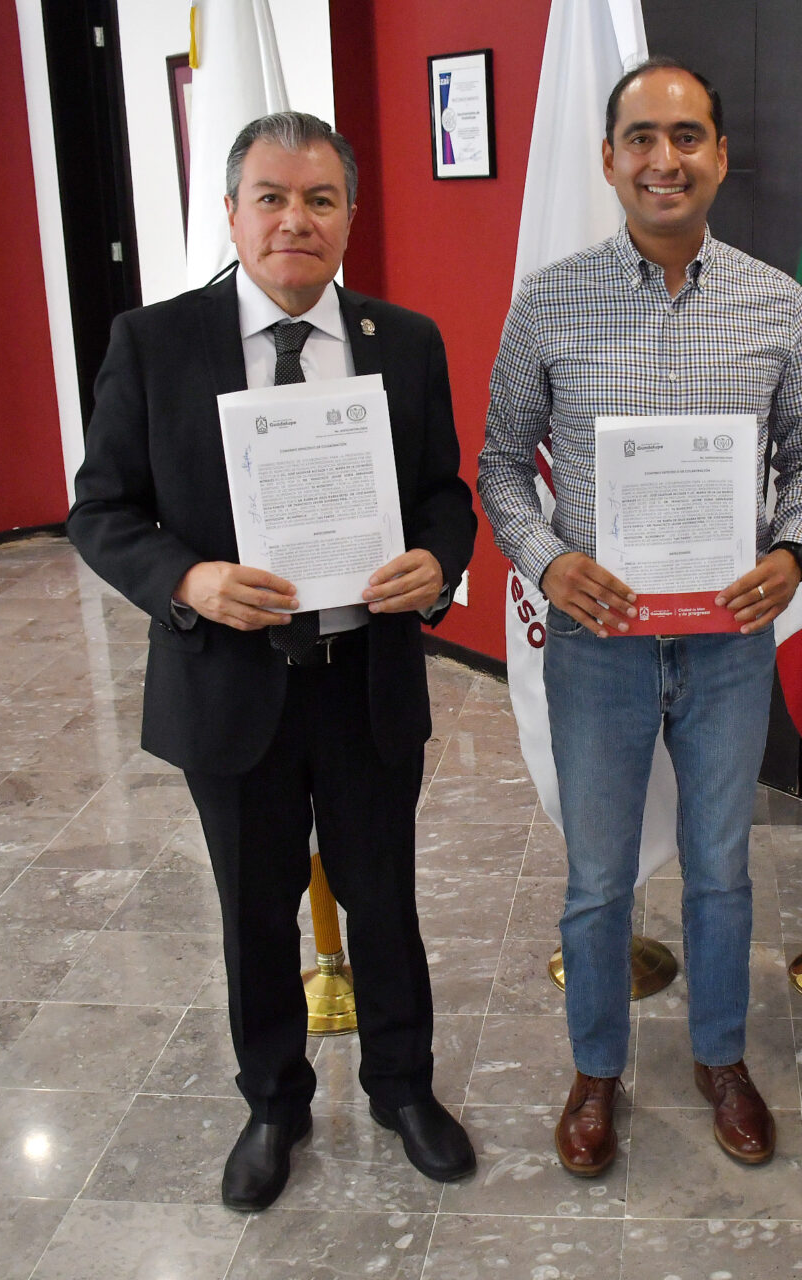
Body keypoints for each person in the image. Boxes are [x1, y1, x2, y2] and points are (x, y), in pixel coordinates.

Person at [67, 112, 478, 1210]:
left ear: (350, 214)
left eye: (320, 199)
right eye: (272, 197)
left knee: (383, 897)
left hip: (364, 680)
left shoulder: (406, 341)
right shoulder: (155, 343)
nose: (296, 219)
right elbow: (100, 511)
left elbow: (444, 491)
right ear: (232, 213)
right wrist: (188, 580)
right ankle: (273, 1103)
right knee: (254, 911)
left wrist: (438, 558)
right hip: (230, 685)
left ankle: (402, 1087)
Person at [478, 58, 802, 1177]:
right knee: (599, 879)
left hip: (729, 643)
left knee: (722, 868)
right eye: (641, 137)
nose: (664, 159)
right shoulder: (550, 300)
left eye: (687, 137)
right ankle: (597, 1069)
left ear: (720, 156)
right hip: (599, 645)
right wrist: (548, 560)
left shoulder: (775, 302)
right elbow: (499, 464)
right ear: (608, 158)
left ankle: (721, 1058)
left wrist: (793, 552)